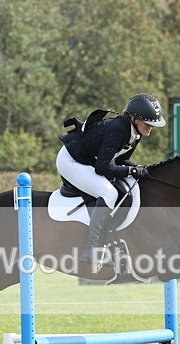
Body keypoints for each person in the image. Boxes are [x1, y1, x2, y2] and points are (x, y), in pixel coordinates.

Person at [56, 93, 166, 265]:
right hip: (71, 161)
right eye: (148, 122)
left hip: (88, 161)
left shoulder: (135, 133)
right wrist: (133, 170)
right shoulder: (118, 129)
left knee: (126, 185)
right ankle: (92, 250)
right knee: (108, 193)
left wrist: (141, 169)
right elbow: (102, 168)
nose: (151, 127)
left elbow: (121, 160)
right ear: (134, 119)